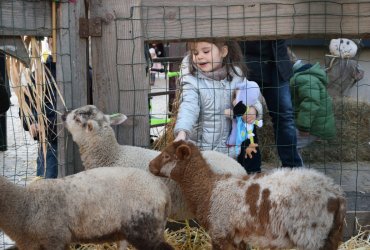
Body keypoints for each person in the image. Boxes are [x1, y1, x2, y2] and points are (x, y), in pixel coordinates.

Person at [174, 39, 263, 173]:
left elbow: (252, 95)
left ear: (223, 52)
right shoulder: (191, 79)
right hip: (201, 153)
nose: (199, 56)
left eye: (206, 51)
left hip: (230, 154)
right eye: (195, 52)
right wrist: (182, 132)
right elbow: (189, 106)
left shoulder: (236, 76)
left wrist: (254, 109)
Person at [239, 40, 303, 167]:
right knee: (245, 117)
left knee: (285, 117)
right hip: (244, 60)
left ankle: (293, 169)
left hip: (277, 61)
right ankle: (251, 170)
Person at [22, 38, 58, 178]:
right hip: (49, 142)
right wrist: (31, 121)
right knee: (46, 185)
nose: (53, 42)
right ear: (48, 43)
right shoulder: (38, 74)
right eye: (51, 39)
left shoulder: (85, 72)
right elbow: (26, 105)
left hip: (78, 141)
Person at [290, 60, 336, 150]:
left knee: (289, 146)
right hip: (316, 124)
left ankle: (295, 164)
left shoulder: (304, 79)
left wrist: (304, 127)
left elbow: (311, 102)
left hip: (313, 126)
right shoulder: (309, 77)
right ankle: (296, 164)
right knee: (290, 146)